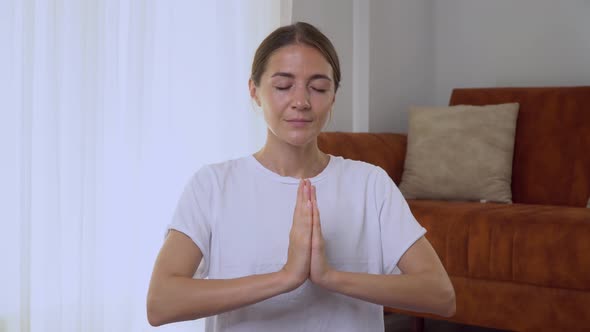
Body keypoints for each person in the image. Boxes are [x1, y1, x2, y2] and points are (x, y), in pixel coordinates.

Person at [147, 21, 455, 331]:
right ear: (254, 91)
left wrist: (331, 277)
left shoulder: (370, 184)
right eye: (283, 86)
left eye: (318, 88)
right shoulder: (213, 185)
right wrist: (285, 278)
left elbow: (441, 295)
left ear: (333, 96)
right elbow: (161, 302)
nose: (301, 102)